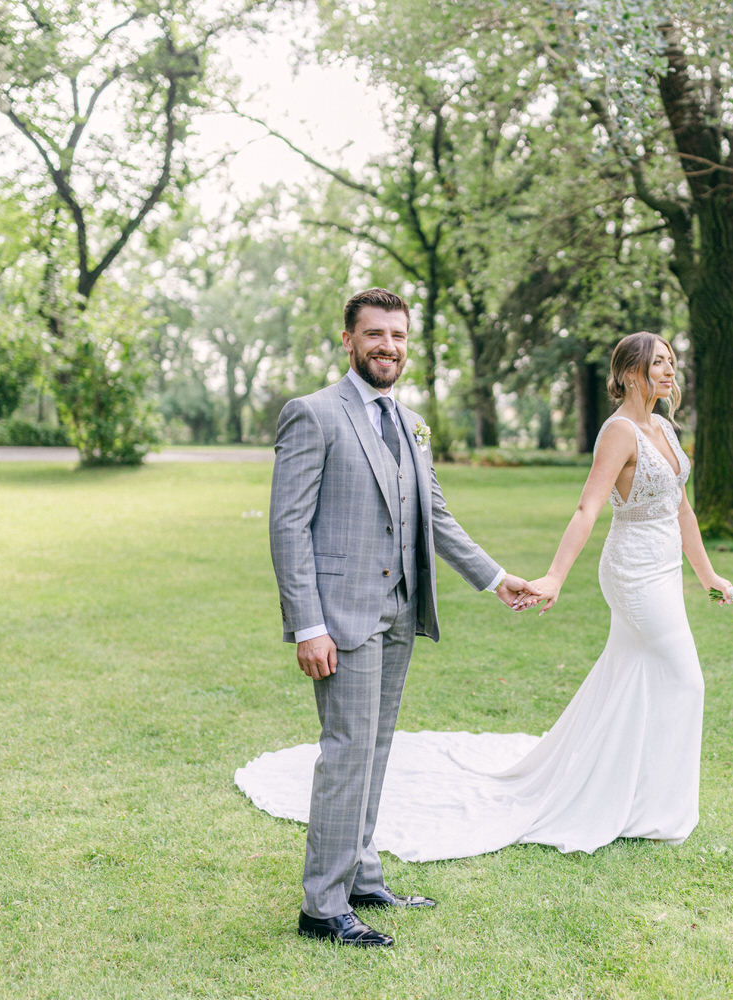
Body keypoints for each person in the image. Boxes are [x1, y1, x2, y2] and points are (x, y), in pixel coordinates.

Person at [241, 330, 733, 875]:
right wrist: (553, 575)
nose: (668, 371)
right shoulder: (619, 432)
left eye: (671, 361)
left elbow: (680, 509)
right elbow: (585, 511)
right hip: (629, 573)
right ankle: (330, 899)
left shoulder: (662, 427)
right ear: (629, 373)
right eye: (657, 363)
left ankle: (636, 800)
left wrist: (706, 573)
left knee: (633, 678)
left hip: (659, 569)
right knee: (685, 679)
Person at [267, 287, 538, 949]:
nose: (389, 346)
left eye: (398, 336)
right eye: (375, 334)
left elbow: (435, 517)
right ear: (348, 341)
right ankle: (321, 908)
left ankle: (360, 875)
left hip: (399, 613)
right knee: (346, 754)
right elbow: (288, 527)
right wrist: (308, 625)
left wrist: (497, 579)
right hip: (341, 619)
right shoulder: (314, 415)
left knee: (376, 750)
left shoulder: (411, 423)